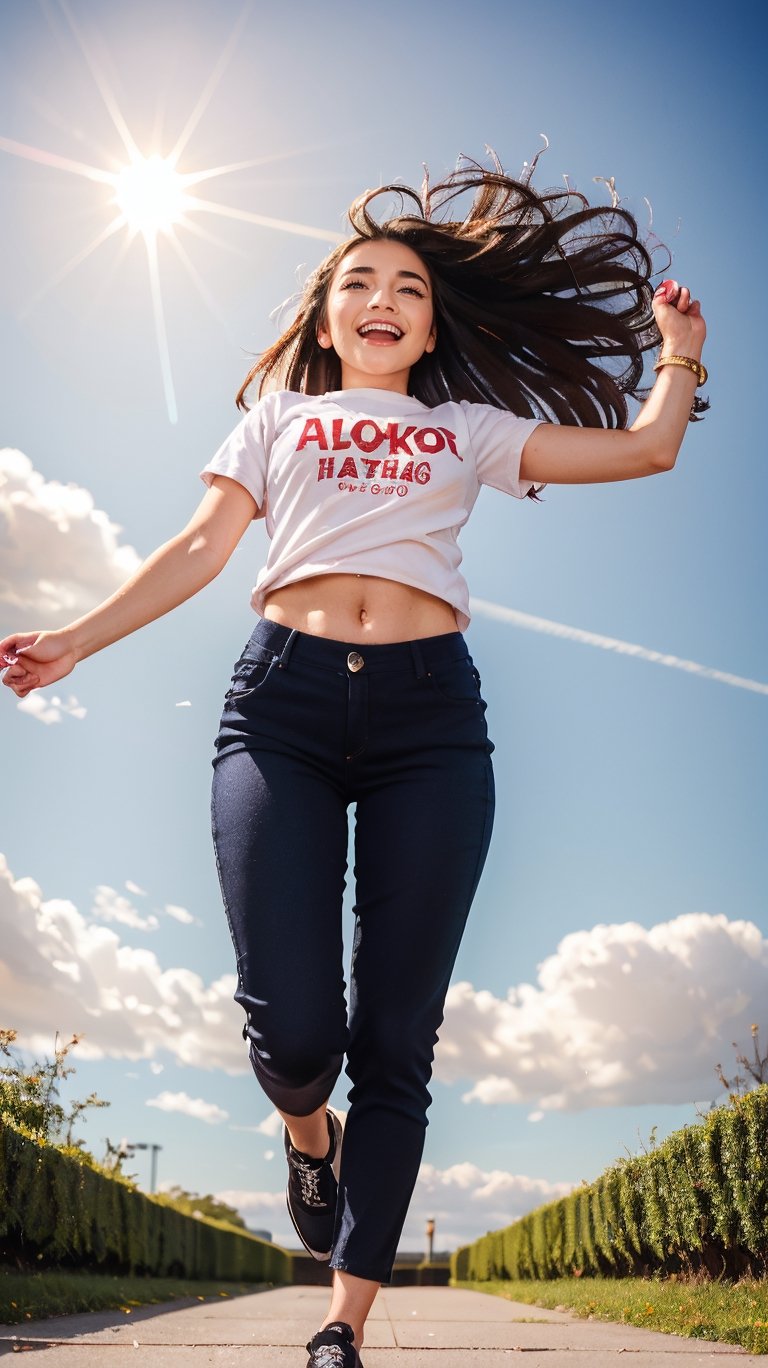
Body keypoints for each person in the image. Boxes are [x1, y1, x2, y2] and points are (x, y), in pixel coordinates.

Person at [1, 151, 707, 1368]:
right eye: (360, 280)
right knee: (295, 1035)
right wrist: (75, 637)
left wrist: (677, 352)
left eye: (411, 288)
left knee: (397, 1037)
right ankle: (306, 1135)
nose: (384, 296)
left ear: (431, 328)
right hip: (281, 707)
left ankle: (344, 1320)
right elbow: (196, 547)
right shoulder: (277, 419)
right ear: (327, 317)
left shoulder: (467, 429)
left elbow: (647, 451)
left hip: (433, 727)